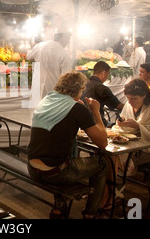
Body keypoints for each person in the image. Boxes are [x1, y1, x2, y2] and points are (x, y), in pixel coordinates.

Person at [27, 72, 108, 219]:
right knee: (102, 164)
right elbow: (103, 142)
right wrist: (96, 112)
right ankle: (91, 213)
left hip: (32, 167)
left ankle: (59, 207)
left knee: (63, 154)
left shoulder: (47, 100)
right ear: (78, 89)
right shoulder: (76, 108)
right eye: (82, 90)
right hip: (55, 173)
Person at [117, 79, 150, 174]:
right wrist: (121, 124)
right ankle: (113, 184)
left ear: (144, 95)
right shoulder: (128, 105)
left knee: (122, 160)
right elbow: (122, 125)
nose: (130, 102)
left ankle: (118, 183)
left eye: (134, 98)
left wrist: (138, 127)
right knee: (109, 156)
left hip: (147, 150)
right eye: (128, 98)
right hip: (128, 145)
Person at [26, 32, 73, 99]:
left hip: (38, 87)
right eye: (68, 39)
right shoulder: (64, 54)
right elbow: (66, 77)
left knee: (37, 107)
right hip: (53, 90)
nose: (68, 42)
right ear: (62, 38)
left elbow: (28, 57)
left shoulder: (39, 46)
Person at [81, 61, 124, 126]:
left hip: (81, 120)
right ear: (103, 73)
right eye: (108, 74)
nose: (107, 77)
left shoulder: (83, 84)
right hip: (95, 122)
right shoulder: (102, 88)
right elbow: (118, 106)